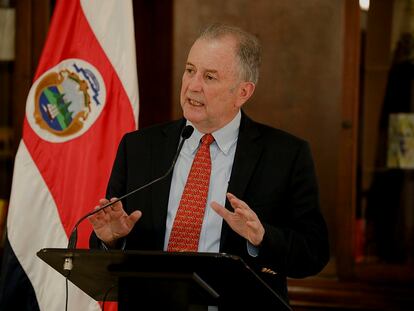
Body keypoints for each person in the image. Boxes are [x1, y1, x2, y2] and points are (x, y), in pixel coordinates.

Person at [89, 23, 329, 308]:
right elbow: (109, 244)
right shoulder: (139, 147)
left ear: (243, 92)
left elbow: (313, 253)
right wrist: (112, 241)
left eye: (210, 77)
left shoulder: (285, 155)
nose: (193, 85)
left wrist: (261, 237)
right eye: (190, 70)